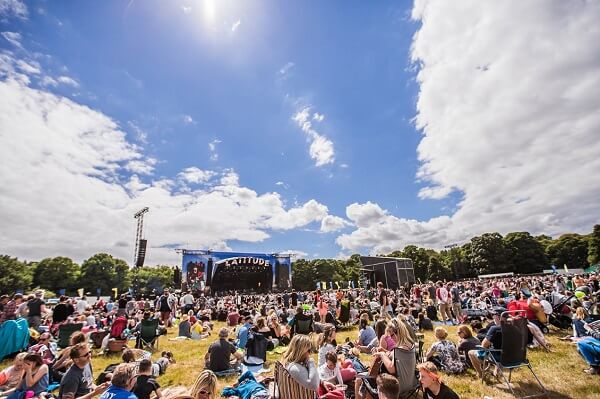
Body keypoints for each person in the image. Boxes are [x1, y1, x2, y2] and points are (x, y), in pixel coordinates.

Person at [468, 310, 505, 378]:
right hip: (516, 357)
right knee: (497, 349)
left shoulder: (494, 329)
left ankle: (480, 374)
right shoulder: (516, 327)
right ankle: (496, 371)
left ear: (498, 317)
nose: (493, 318)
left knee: (471, 352)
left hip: (499, 357)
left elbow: (484, 345)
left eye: (494, 316)